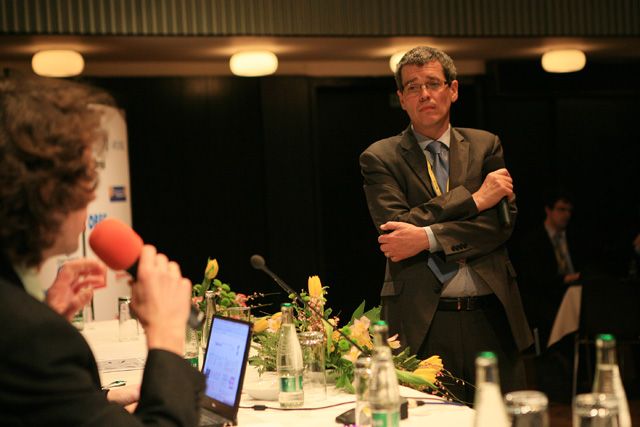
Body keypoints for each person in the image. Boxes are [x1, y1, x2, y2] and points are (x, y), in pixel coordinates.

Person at [0, 75, 204, 425]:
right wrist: (167, 335)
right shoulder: (27, 335)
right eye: (84, 176)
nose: (93, 193)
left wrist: (99, 400)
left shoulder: (24, 323)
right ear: (46, 191)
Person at [359, 46, 532, 402]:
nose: (424, 94)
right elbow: (395, 229)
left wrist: (427, 238)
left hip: (492, 314)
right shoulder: (379, 157)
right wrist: (474, 201)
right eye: (413, 87)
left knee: (500, 419)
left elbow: (499, 225)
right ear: (401, 99)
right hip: (424, 320)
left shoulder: (485, 145)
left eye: (433, 83)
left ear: (452, 90)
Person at [517, 193, 583, 351]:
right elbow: (533, 278)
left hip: (574, 293)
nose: (566, 215)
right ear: (548, 210)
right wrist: (564, 279)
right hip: (547, 297)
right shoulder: (533, 240)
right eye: (561, 209)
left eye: (569, 210)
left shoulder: (574, 237)